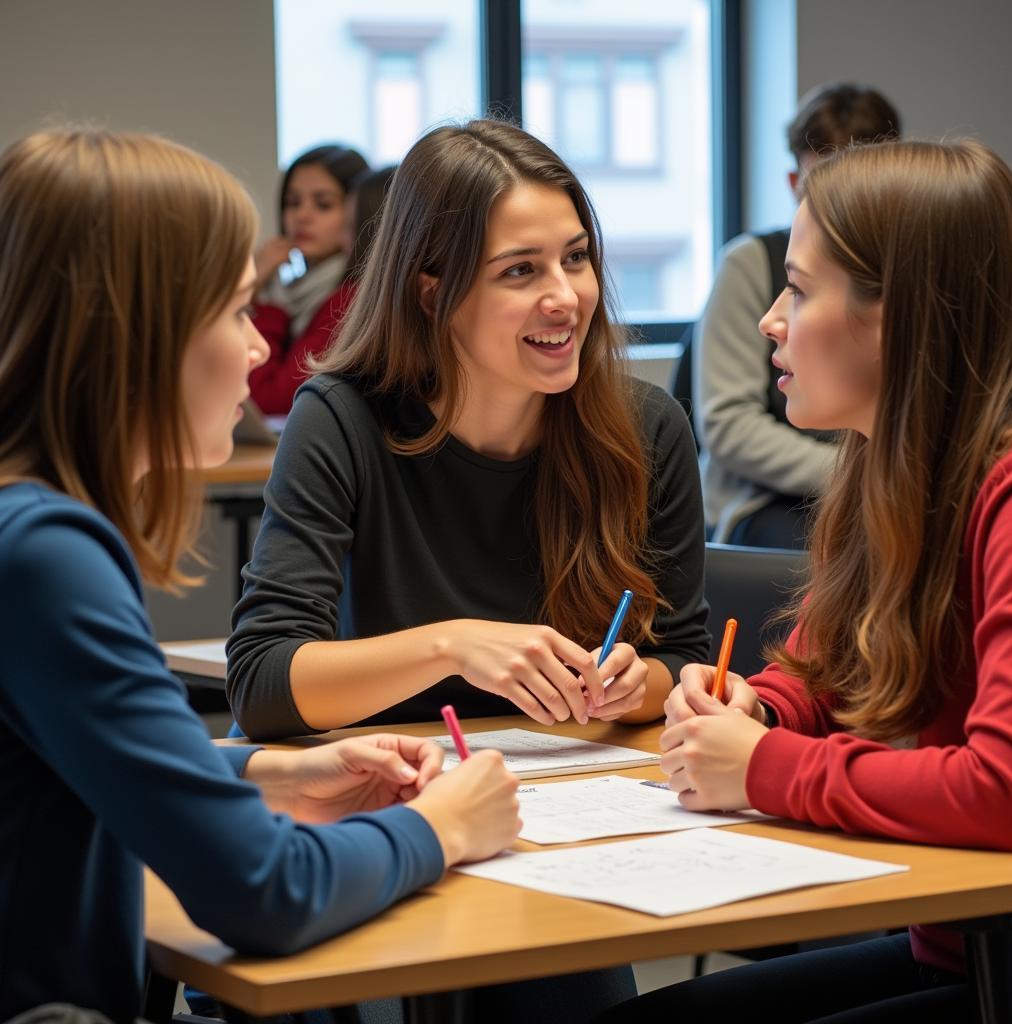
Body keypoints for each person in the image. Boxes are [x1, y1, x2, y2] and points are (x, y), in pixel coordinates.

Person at [0, 128, 521, 1023]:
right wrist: (442, 827)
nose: (255, 349)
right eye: (236, 311)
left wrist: (260, 775)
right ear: (137, 333)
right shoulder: (45, 556)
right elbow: (266, 894)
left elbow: (50, 769)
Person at [598, 138, 1012, 1022]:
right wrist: (755, 708)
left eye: (797, 288)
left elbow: (1007, 792)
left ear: (897, 315)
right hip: (958, 947)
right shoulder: (886, 474)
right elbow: (815, 673)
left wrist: (764, 769)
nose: (769, 321)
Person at [227, 118, 710, 742]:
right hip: (386, 786)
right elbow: (260, 683)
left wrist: (630, 685)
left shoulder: (647, 427)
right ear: (432, 293)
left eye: (575, 257)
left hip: (573, 789)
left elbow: (682, 660)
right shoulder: (340, 418)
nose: (566, 297)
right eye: (519, 271)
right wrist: (452, 648)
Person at [696, 83, 900, 547]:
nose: (773, 323)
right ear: (795, 184)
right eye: (794, 286)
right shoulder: (750, 263)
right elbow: (729, 425)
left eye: (802, 291)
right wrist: (860, 476)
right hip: (769, 501)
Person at [248, 144, 369, 415]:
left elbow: (271, 400)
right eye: (292, 203)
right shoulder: (292, 289)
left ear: (354, 212)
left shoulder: (350, 298)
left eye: (323, 204)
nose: (302, 216)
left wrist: (262, 300)